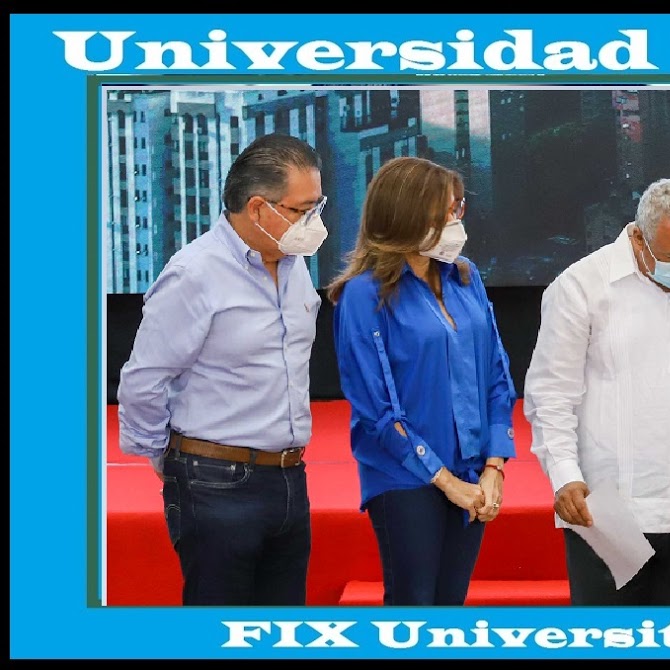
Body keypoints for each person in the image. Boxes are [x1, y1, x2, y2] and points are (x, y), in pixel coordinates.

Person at [525, 178, 670, 605]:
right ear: (637, 237)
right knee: (609, 637)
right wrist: (564, 475)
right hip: (609, 510)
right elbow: (552, 394)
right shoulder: (582, 285)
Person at [117, 134, 325, 605]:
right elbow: (144, 380)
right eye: (302, 210)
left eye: (317, 207)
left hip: (290, 476)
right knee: (218, 627)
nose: (313, 222)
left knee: (282, 629)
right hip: (215, 483)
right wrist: (169, 462)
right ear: (258, 208)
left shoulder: (294, 264)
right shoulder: (195, 273)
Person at [328, 156, 517, 606]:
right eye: (445, 211)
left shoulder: (466, 276)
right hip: (403, 475)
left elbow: (496, 374)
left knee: (451, 602)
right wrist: (445, 481)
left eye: (458, 208)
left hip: (473, 467)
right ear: (406, 214)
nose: (455, 220)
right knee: (414, 605)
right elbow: (377, 409)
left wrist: (494, 466)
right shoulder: (363, 294)